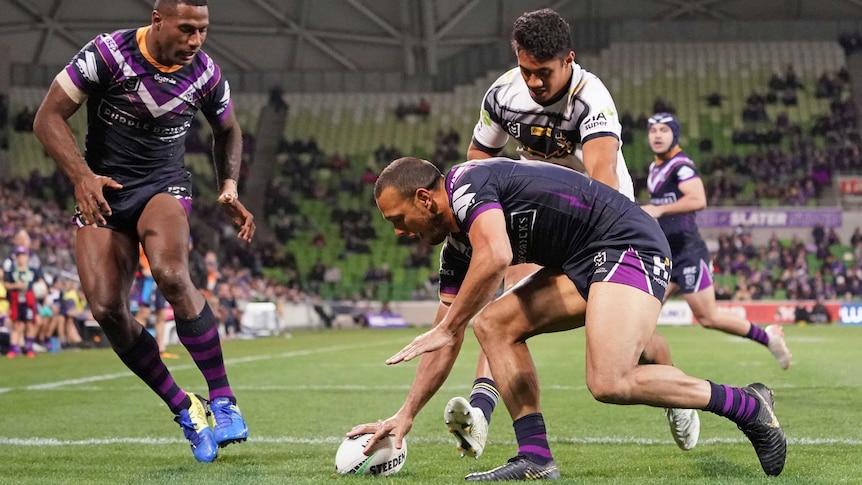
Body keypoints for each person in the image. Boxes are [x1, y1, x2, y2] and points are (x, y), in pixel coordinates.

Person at [349, 157, 787, 480]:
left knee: (609, 381)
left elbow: (498, 255)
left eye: (398, 218)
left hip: (626, 243)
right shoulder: (457, 248)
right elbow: (442, 339)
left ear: (425, 198)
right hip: (584, 259)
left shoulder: (467, 185)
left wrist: (447, 327)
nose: (399, 232)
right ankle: (535, 458)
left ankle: (750, 406)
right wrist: (405, 415)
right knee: (492, 324)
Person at [451, 8, 694, 460]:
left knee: (619, 343)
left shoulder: (591, 98)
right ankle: (483, 414)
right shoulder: (502, 94)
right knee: (503, 306)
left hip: (603, 224)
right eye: (526, 70)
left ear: (569, 60)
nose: (534, 83)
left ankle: (673, 385)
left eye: (543, 73)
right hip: (535, 210)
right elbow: (478, 161)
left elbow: (601, 179)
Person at [33, 0, 255, 462]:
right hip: (104, 190)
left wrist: (229, 187)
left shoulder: (207, 74)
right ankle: (185, 407)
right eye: (186, 30)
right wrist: (81, 176)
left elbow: (228, 129)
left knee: (172, 275)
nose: (196, 41)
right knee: (106, 308)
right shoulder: (107, 54)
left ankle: (223, 400)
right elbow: (47, 118)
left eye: (203, 31)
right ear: (158, 21)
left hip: (163, 186)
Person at [640, 113, 792, 369]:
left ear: (674, 134)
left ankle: (767, 337)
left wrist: (659, 210)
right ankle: (662, 380)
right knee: (641, 316)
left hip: (688, 251)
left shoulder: (682, 165)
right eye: (653, 130)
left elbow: (698, 200)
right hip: (665, 253)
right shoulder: (655, 167)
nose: (657, 135)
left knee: (708, 317)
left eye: (664, 130)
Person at [3, 246, 47, 358]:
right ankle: (13, 349)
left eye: (23, 256)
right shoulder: (11, 271)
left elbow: (42, 283)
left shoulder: (33, 271)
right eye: (18, 256)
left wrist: (44, 295)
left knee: (30, 324)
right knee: (16, 325)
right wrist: (15, 286)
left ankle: (29, 348)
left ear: (27, 257)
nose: (21, 258)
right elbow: (6, 284)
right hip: (16, 301)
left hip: (30, 301)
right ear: (16, 258)